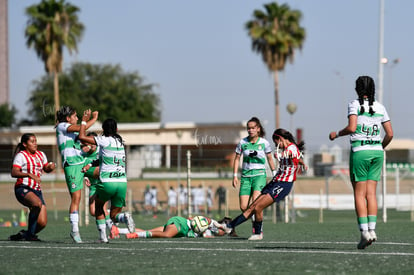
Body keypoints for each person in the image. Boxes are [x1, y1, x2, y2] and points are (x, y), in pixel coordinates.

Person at [329, 75, 393, 249]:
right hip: (377, 152)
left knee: (359, 194)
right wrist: (381, 147)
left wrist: (336, 134)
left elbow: (351, 127)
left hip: (360, 151)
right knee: (371, 194)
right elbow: (390, 134)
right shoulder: (380, 106)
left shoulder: (354, 104)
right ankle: (372, 230)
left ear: (357, 89)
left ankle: (364, 232)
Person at [223, 128, 306, 240]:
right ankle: (229, 226)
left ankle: (258, 233)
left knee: (258, 207)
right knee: (251, 207)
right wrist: (303, 163)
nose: (276, 145)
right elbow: (298, 158)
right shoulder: (287, 149)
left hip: (283, 185)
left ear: (280, 139)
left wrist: (282, 155)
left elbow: (291, 153)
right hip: (275, 182)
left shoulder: (290, 148)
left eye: (276, 142)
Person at [78, 110, 135, 243]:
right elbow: (104, 158)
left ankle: (103, 237)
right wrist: (92, 163)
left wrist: (84, 121)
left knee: (98, 208)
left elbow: (81, 137)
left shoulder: (103, 140)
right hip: (122, 182)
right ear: (116, 129)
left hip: (107, 182)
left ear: (103, 129)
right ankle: (124, 217)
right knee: (114, 215)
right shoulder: (120, 143)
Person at [55, 105, 98, 243]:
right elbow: (82, 128)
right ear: (68, 118)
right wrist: (87, 120)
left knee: (102, 172)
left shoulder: (74, 131)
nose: (77, 118)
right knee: (76, 198)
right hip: (72, 166)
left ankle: (106, 206)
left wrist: (89, 148)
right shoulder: (62, 126)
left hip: (83, 162)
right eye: (75, 116)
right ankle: (75, 231)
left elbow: (83, 132)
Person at [232, 117, 276, 235]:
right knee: (243, 206)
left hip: (259, 176)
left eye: (253, 128)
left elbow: (270, 159)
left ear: (258, 129)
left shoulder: (264, 143)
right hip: (245, 177)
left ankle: (258, 229)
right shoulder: (242, 143)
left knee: (256, 204)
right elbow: (237, 159)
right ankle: (254, 220)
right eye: (248, 128)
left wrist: (274, 173)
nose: (250, 130)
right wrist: (235, 176)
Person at [8, 133, 56, 241]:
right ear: (25, 144)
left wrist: (50, 167)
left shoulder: (41, 155)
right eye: (32, 141)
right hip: (22, 188)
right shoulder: (21, 156)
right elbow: (14, 172)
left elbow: (46, 169)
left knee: (42, 223)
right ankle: (30, 235)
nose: (35, 144)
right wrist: (29, 174)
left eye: (36, 141)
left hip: (37, 190)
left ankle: (24, 234)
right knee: (37, 204)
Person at [81, 132, 119, 239]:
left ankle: (109, 231)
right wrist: (85, 178)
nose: (91, 144)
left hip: (103, 184)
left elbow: (101, 167)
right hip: (93, 185)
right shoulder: (83, 155)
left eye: (93, 142)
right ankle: (112, 225)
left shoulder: (100, 152)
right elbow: (82, 170)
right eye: (89, 142)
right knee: (93, 211)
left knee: (100, 208)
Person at [125, 216, 230, 239]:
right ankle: (136, 235)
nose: (222, 233)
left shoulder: (210, 231)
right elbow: (211, 222)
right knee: (167, 235)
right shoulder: (209, 225)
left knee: (148, 231)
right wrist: (222, 227)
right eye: (222, 232)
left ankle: (119, 231)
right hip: (182, 224)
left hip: (182, 227)